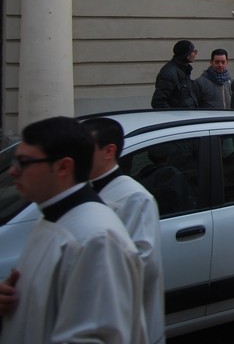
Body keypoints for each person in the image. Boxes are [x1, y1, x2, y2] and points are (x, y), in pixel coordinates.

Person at [0, 117, 147, 344]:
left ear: (63, 166)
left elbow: (96, 335)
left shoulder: (96, 237)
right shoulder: (51, 219)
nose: (12, 171)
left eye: (24, 162)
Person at [83, 117, 164, 344]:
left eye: (84, 149)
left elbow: (144, 263)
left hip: (123, 318)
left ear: (109, 151)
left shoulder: (134, 198)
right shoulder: (86, 190)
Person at [151, 39, 198, 108]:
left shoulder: (184, 70)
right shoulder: (169, 74)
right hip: (180, 117)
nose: (195, 54)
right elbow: (158, 102)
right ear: (187, 55)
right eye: (194, 51)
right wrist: (174, 116)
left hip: (187, 115)